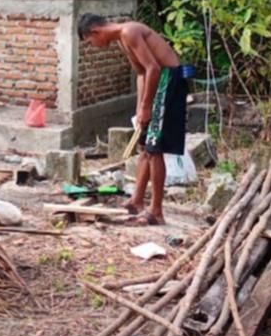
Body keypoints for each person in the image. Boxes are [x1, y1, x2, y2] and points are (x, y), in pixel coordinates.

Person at [77, 13, 188, 225]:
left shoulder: (130, 31)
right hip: (157, 81)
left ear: (96, 32)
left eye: (90, 42)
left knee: (155, 149)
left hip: (169, 79)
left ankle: (156, 212)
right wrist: (140, 109)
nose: (94, 46)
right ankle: (136, 201)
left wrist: (147, 106)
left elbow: (153, 68)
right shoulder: (122, 40)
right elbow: (141, 74)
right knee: (145, 146)